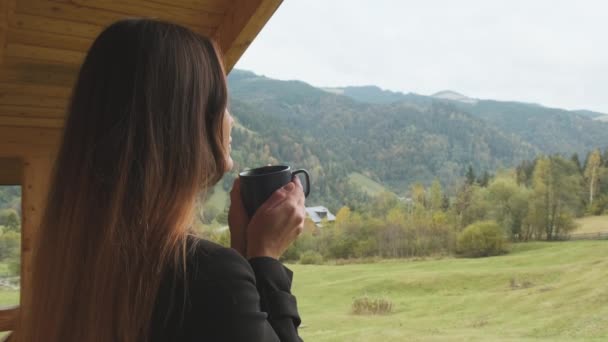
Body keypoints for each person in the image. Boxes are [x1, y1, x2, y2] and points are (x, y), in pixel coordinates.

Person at [17, 19, 305, 342]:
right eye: (222, 103)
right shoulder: (206, 279)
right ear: (188, 123)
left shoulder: (67, 270)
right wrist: (264, 259)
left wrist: (242, 255)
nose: (231, 119)